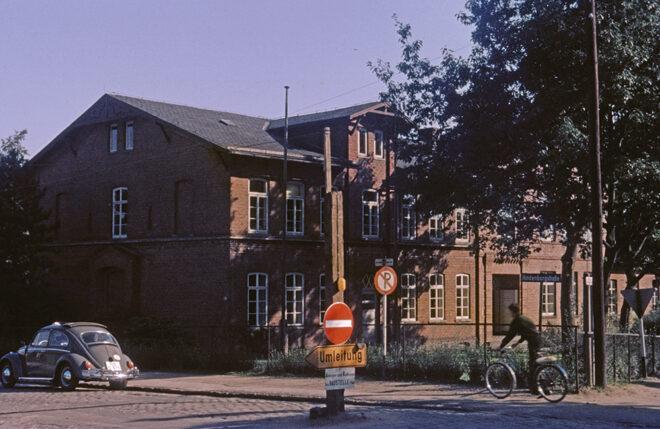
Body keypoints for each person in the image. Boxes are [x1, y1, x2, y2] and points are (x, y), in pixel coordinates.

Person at [498, 303, 542, 394]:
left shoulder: (516, 321)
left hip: (533, 342)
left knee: (533, 364)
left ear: (512, 311)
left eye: (509, 311)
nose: (509, 313)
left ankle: (536, 389)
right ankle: (539, 387)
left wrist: (501, 346)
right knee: (536, 363)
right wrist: (518, 343)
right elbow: (528, 332)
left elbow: (510, 335)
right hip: (538, 339)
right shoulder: (524, 318)